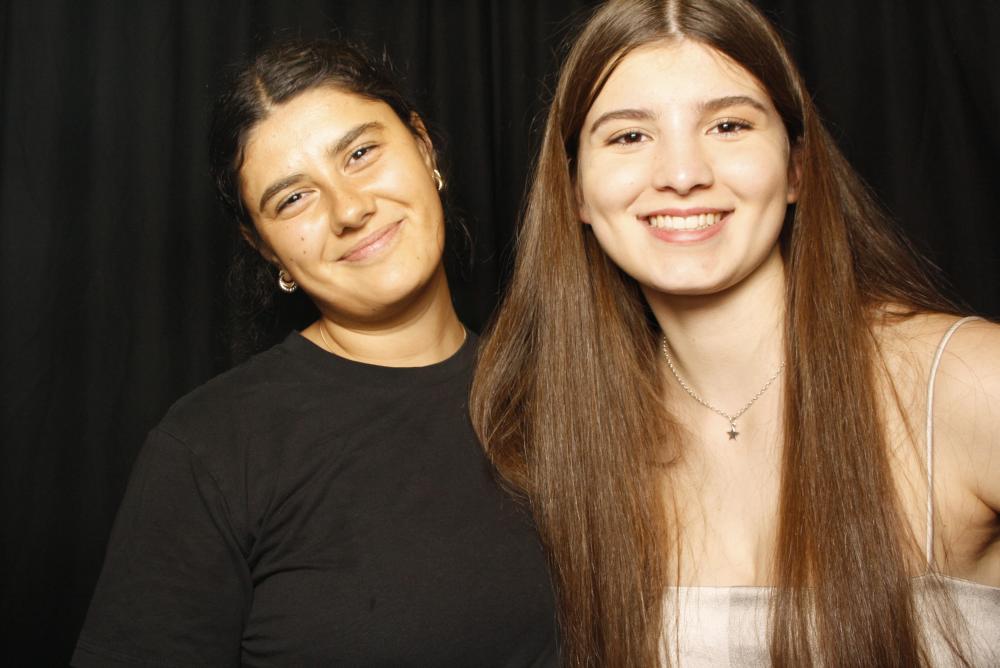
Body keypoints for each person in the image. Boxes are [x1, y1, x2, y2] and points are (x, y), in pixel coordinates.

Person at [470, 0, 999, 665]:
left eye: (728, 125)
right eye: (629, 136)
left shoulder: (969, 382)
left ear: (797, 167)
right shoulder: (573, 441)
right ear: (575, 190)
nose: (682, 174)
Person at [72, 38, 558, 667]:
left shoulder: (558, 392)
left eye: (360, 154)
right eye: (293, 198)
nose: (350, 209)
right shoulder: (212, 450)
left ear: (423, 146)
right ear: (266, 247)